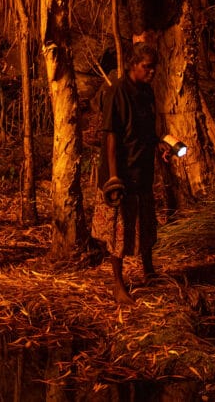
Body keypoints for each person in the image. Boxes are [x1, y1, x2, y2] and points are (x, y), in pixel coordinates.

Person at [90, 42, 164, 305]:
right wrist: (113, 176)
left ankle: (149, 269)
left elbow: (149, 129)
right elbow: (110, 136)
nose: (152, 72)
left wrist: (161, 146)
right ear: (134, 64)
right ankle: (118, 283)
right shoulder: (117, 92)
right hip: (121, 171)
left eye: (154, 67)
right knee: (118, 231)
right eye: (147, 67)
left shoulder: (146, 92)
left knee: (145, 222)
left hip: (142, 167)